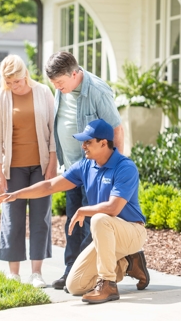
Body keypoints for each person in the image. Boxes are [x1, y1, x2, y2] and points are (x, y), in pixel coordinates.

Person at [0, 119, 150, 303]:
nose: (83, 146)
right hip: (106, 236)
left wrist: (84, 210)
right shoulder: (86, 166)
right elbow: (50, 185)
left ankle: (108, 284)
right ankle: (128, 262)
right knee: (75, 285)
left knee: (99, 219)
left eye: (88, 142)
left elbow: (113, 208)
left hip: (132, 232)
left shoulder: (125, 167)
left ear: (104, 143)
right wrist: (17, 194)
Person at [44, 51, 124, 290]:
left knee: (92, 222)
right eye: (53, 84)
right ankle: (71, 270)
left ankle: (87, 274)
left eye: (60, 82)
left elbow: (117, 130)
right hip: (72, 168)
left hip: (97, 170)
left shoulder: (98, 91)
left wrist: (115, 169)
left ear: (75, 73)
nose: (57, 87)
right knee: (74, 221)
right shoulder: (62, 89)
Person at [0, 54, 57, 288]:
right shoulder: (0, 99)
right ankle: (13, 272)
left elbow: (53, 129)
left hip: (40, 165)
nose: (13, 86)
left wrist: (52, 162)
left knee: (41, 217)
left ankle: (36, 273)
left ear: (25, 74)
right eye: (8, 82)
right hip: (13, 168)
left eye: (16, 81)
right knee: (12, 218)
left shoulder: (43, 92)